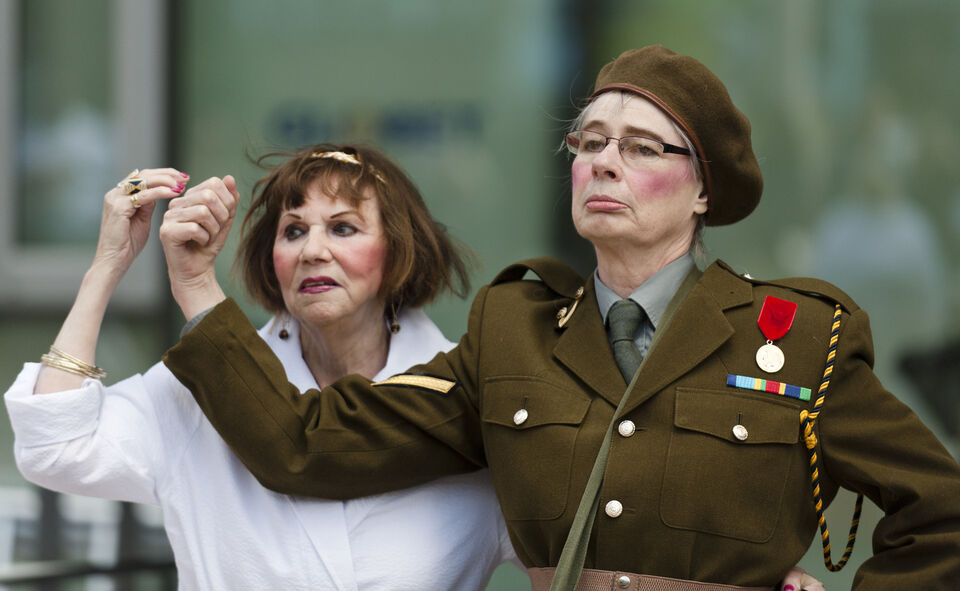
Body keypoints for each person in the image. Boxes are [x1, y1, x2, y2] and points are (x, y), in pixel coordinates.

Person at [5, 144, 520, 590]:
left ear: (397, 252)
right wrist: (108, 263)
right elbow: (55, 447)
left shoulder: (468, 404)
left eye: (343, 227)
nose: (313, 251)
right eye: (293, 231)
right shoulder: (200, 389)